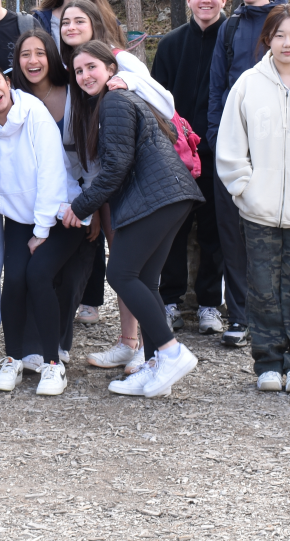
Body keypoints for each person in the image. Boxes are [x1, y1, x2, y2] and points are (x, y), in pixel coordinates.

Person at [66, 42, 204, 398]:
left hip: (157, 197)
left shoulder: (114, 101)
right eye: (78, 71)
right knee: (144, 279)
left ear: (111, 69)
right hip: (172, 195)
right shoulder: (116, 102)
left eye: (91, 67)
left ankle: (172, 352)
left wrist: (79, 207)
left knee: (121, 274)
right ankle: (157, 361)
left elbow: (115, 168)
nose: (84, 76)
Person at [56, 0, 175, 373]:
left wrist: (129, 80)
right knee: (126, 264)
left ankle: (142, 345)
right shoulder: (70, 71)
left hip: (133, 182)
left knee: (127, 267)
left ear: (94, 24)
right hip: (100, 179)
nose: (71, 27)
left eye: (79, 20)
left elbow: (165, 102)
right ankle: (136, 346)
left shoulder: (120, 63)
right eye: (64, 22)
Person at [215, 5, 290, 394]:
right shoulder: (248, 82)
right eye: (279, 35)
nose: (287, 42)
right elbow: (230, 144)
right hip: (259, 208)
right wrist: (244, 189)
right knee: (261, 286)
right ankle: (267, 361)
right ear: (267, 39)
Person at [207, 0, 290, 348]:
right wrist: (218, 137)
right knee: (233, 235)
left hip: (282, 148)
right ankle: (239, 315)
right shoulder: (231, 26)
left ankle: (280, 318)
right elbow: (216, 87)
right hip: (236, 145)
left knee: (278, 236)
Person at [0, 63, 89, 396]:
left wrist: (43, 230)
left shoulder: (31, 110)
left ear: (6, 82)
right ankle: (14, 358)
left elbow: (50, 172)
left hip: (62, 214)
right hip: (21, 219)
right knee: (15, 279)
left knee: (37, 275)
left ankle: (53, 365)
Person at [151, 0, 230, 336]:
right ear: (188, 0)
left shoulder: (232, 41)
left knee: (214, 228)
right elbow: (155, 100)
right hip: (177, 150)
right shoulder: (171, 45)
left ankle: (210, 305)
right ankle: (169, 300)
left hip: (220, 148)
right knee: (175, 228)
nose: (206, 0)